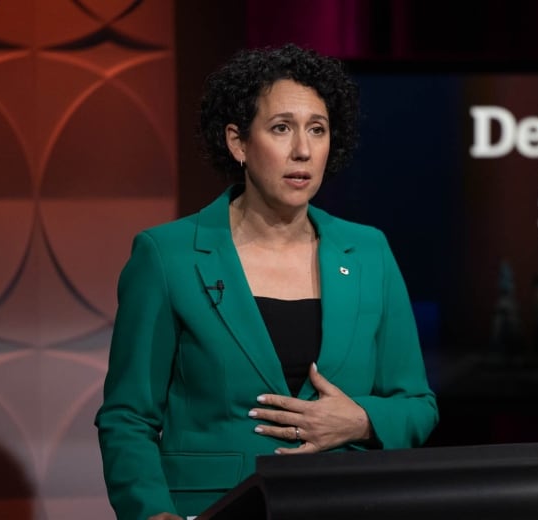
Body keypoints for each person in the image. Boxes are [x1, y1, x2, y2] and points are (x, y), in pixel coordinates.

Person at [94, 42, 439, 520]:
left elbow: (416, 404)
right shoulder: (166, 255)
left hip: (345, 502)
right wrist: (154, 515)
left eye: (317, 130)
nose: (302, 150)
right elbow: (128, 416)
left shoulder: (368, 251)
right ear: (238, 142)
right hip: (213, 507)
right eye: (282, 129)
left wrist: (361, 420)